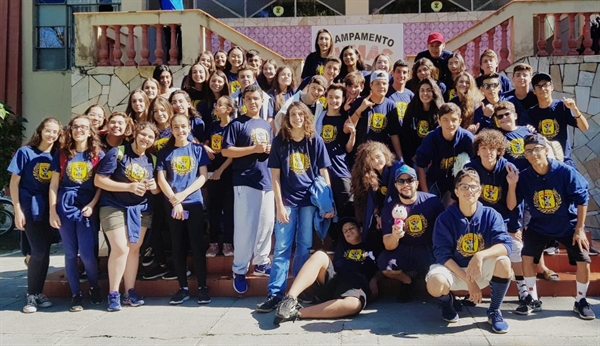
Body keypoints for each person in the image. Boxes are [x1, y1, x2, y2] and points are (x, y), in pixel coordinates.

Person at [506, 133, 595, 320]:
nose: (532, 154)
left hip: (567, 223)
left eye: (536, 149)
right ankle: (532, 299)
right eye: (528, 151)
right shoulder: (524, 177)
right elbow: (512, 205)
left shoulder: (565, 172)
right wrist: (513, 186)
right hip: (539, 224)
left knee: (584, 260)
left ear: (546, 150)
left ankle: (581, 301)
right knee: (527, 257)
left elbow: (582, 199)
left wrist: (579, 229)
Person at [256, 101, 333, 312]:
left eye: (301, 114)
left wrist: (329, 200)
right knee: (281, 248)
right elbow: (275, 177)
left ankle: (298, 292)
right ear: (287, 118)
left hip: (309, 201)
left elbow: (324, 172)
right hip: (287, 202)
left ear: (306, 117)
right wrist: (279, 205)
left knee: (304, 245)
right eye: (293, 115)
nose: (297, 118)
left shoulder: (314, 140)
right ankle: (275, 294)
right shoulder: (280, 141)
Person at [426, 168, 513, 334]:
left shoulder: (491, 215)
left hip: (480, 271)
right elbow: (442, 255)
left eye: (473, 187)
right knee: (435, 283)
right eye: (464, 187)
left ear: (479, 191)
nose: (469, 191)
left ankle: (494, 311)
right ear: (456, 192)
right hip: (454, 271)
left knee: (504, 262)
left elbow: (506, 245)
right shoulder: (445, 218)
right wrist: (468, 281)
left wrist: (480, 255)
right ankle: (447, 303)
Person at [95, 121, 160, 311]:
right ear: (136, 134)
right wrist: (128, 187)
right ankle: (113, 293)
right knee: (120, 248)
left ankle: (129, 292)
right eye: (143, 134)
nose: (146, 139)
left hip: (140, 208)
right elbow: (100, 180)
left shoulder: (151, 160)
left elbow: (155, 191)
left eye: (150, 137)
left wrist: (154, 187)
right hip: (113, 206)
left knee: (133, 249)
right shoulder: (117, 153)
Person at [273, 217, 381, 324]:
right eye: (345, 231)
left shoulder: (372, 245)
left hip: (356, 284)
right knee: (320, 255)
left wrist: (375, 279)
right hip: (335, 279)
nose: (348, 232)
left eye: (352, 228)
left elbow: (383, 267)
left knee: (354, 305)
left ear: (361, 229)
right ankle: (289, 299)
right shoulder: (341, 246)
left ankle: (296, 313)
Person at [222, 85, 275, 294]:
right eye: (249, 98)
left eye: (256, 99)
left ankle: (262, 262)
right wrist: (253, 149)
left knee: (266, 224)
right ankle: (240, 270)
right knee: (245, 228)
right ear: (243, 101)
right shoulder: (236, 124)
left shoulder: (266, 125)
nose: (253, 102)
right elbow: (226, 150)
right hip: (245, 181)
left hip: (266, 180)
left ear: (262, 101)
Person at [49, 115, 104, 312]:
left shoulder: (98, 154)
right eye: (75, 127)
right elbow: (54, 184)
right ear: (70, 130)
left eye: (83, 127)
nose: (79, 130)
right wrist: (53, 211)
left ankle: (94, 287)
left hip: (87, 207)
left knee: (88, 255)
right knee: (70, 253)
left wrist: (92, 204)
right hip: (65, 206)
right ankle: (76, 294)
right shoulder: (62, 154)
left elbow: (100, 185)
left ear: (90, 131)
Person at [156, 113, 212, 305]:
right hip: (173, 206)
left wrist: (183, 195)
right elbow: (161, 179)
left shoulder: (197, 150)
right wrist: (174, 199)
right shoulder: (165, 152)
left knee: (197, 246)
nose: (180, 130)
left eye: (183, 127)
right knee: (177, 246)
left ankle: (203, 287)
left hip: (194, 203)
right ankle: (183, 287)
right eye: (176, 127)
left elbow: (203, 176)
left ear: (189, 128)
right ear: (171, 130)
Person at [9, 118, 62, 313]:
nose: (51, 135)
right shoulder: (25, 152)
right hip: (29, 207)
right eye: (48, 130)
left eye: (55, 132)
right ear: (40, 131)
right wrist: (17, 210)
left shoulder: (57, 155)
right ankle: (30, 295)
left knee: (45, 251)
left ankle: (38, 292)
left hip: (49, 208)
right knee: (38, 250)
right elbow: (14, 183)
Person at [378, 165, 444, 302]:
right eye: (401, 181)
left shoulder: (432, 201)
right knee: (384, 264)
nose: (405, 184)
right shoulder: (390, 208)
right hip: (403, 248)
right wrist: (395, 236)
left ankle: (442, 292)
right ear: (396, 186)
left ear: (417, 183)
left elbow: (443, 232)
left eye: (410, 180)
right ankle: (407, 281)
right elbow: (388, 245)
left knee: (442, 261)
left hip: (426, 248)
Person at [350, 141, 403, 256]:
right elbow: (371, 202)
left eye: (378, 157)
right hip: (379, 213)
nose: (376, 162)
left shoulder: (397, 169)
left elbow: (399, 198)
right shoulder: (368, 175)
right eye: (372, 160)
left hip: (397, 211)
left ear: (385, 154)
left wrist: (384, 216)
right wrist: (377, 215)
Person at [416, 102, 474, 206]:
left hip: (460, 180)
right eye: (445, 120)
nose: (450, 124)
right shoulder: (431, 138)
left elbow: (477, 164)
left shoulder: (467, 138)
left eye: (454, 120)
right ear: (439, 121)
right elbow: (420, 165)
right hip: (436, 179)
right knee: (429, 206)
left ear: (460, 121)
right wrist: (425, 194)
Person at [528, 72, 589, 168]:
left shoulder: (562, 106)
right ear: (534, 91)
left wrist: (575, 109)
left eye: (545, 85)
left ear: (552, 87)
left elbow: (585, 127)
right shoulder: (531, 113)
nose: (543, 89)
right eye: (538, 86)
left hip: (565, 160)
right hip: (544, 163)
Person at [204, 96, 236, 258]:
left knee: (229, 209)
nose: (216, 106)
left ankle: (229, 242)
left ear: (229, 109)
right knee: (213, 208)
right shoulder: (214, 125)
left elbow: (232, 153)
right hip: (212, 172)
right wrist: (206, 148)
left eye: (220, 105)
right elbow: (205, 142)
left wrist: (221, 171)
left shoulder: (234, 126)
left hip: (228, 173)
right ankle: (214, 243)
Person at [346, 71, 402, 159]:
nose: (381, 86)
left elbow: (394, 134)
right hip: (362, 156)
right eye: (378, 83)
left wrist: (400, 158)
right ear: (371, 85)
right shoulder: (359, 102)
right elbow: (346, 129)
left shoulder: (391, 105)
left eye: (384, 83)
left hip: (382, 157)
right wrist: (360, 109)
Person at [320, 84, 356, 219]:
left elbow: (348, 149)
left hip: (340, 170)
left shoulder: (345, 120)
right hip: (321, 171)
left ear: (342, 99)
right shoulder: (319, 117)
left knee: (347, 209)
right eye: (330, 97)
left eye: (337, 98)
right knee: (327, 212)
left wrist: (353, 135)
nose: (334, 101)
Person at [399, 77, 444, 167]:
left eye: (428, 90)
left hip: (434, 158)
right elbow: (405, 133)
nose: (425, 93)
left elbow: (442, 136)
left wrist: (433, 157)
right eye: (422, 90)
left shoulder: (440, 110)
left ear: (434, 92)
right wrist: (412, 155)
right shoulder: (411, 108)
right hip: (414, 157)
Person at [386, 59, 414, 124]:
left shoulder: (411, 95)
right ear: (392, 73)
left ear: (408, 75)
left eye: (404, 72)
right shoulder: (385, 93)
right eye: (398, 72)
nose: (401, 75)